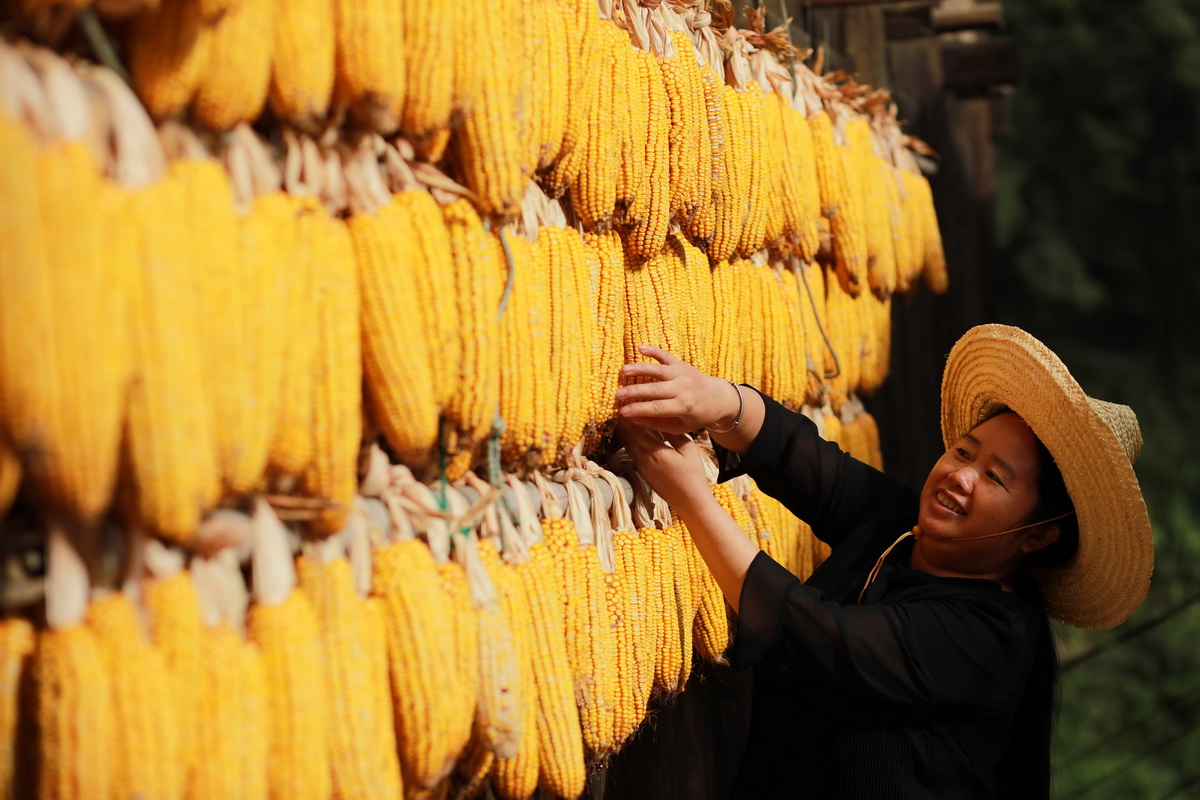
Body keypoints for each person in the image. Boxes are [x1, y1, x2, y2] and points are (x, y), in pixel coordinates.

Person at [616, 324, 1153, 800]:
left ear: (1037, 535)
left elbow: (813, 632)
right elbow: (803, 459)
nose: (961, 477)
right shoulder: (899, 525)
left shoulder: (990, 637)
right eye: (964, 452)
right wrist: (719, 400)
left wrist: (691, 497)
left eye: (994, 477)